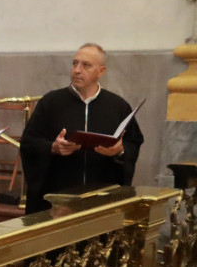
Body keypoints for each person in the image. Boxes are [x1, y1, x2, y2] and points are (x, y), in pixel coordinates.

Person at [20, 43, 144, 214]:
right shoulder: (51, 102)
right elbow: (28, 143)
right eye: (74, 63)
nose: (77, 70)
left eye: (86, 65)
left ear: (101, 71)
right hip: (58, 199)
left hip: (102, 198)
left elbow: (133, 142)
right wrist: (53, 147)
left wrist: (120, 150)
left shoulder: (118, 106)